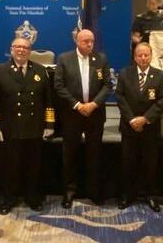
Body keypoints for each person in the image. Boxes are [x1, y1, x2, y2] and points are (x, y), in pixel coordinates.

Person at [0, 37, 54, 215]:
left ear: (30, 51)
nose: (21, 50)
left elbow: (48, 101)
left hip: (34, 128)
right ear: (11, 49)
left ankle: (32, 198)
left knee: (33, 166)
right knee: (10, 167)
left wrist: (49, 124)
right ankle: (9, 199)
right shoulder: (0, 71)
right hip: (11, 129)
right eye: (17, 47)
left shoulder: (40, 70)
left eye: (25, 48)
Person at [54, 29, 111, 208]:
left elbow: (108, 85)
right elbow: (59, 86)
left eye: (92, 41)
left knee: (94, 155)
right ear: (77, 41)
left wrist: (93, 104)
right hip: (72, 115)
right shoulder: (64, 59)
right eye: (85, 41)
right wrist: (78, 105)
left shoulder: (101, 59)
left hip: (95, 115)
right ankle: (69, 192)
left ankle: (93, 192)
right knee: (70, 155)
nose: (89, 44)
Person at [115, 43, 163, 212]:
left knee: (150, 163)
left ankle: (150, 195)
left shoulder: (160, 76)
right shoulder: (124, 74)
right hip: (129, 127)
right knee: (127, 162)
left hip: (150, 128)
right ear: (135, 57)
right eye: (140, 55)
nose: (143, 58)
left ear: (151, 56)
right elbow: (120, 98)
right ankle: (127, 195)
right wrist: (132, 120)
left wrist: (144, 119)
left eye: (146, 55)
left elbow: (162, 102)